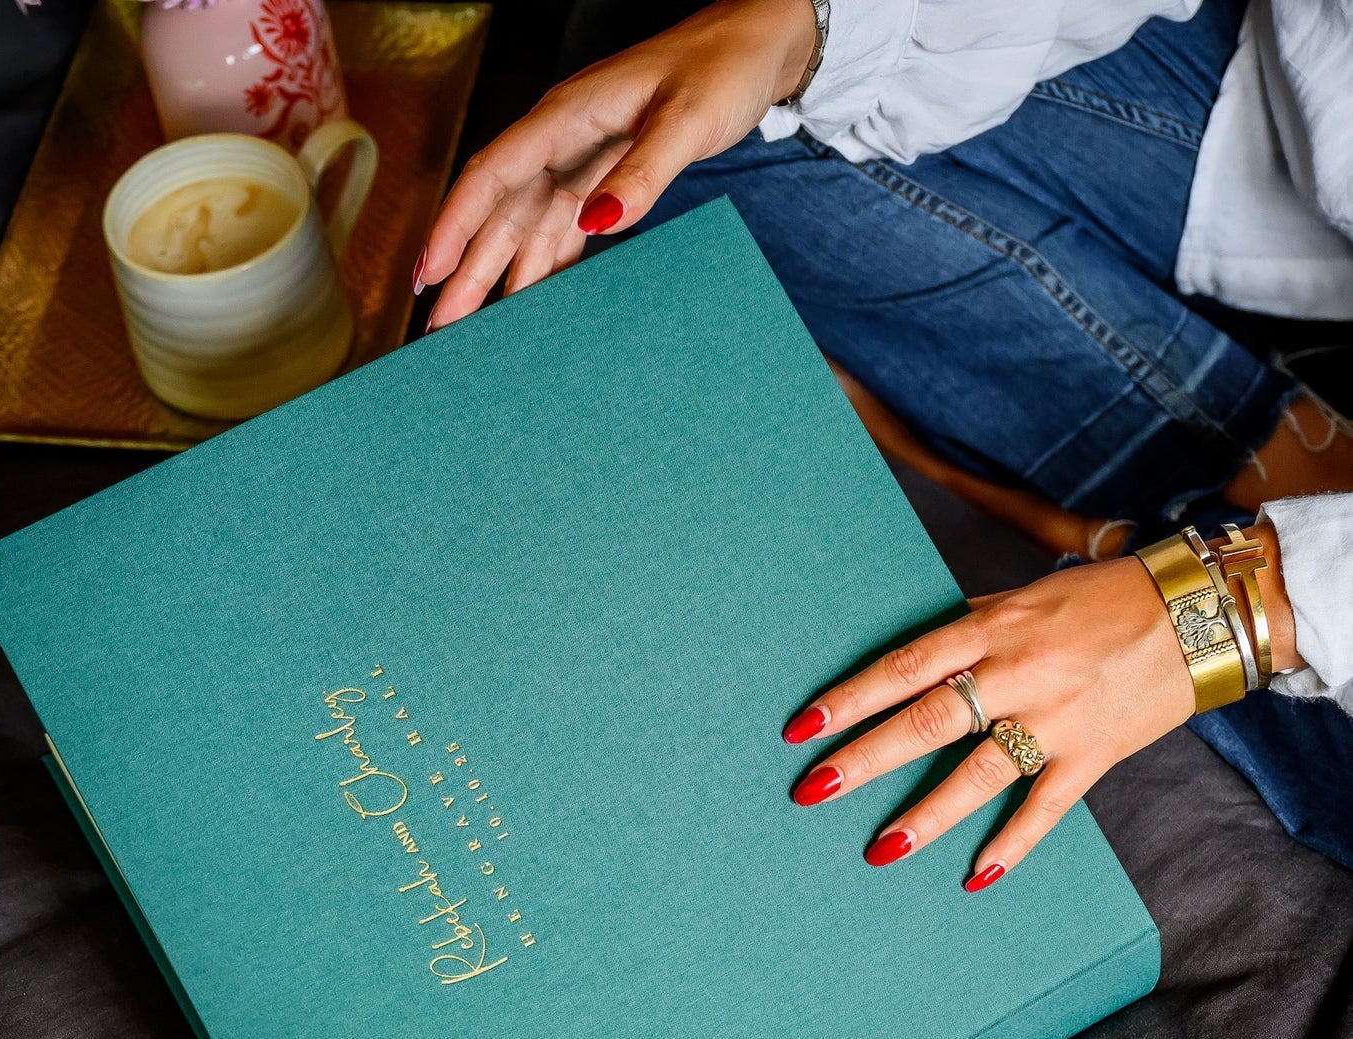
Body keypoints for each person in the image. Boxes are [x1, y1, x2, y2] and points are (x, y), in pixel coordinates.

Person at [415, 0, 1353, 882]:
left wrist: (1252, 606)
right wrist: (804, 31)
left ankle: (1139, 504)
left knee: (657, 145)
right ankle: (1239, 474)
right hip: (1294, 122)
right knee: (651, 107)